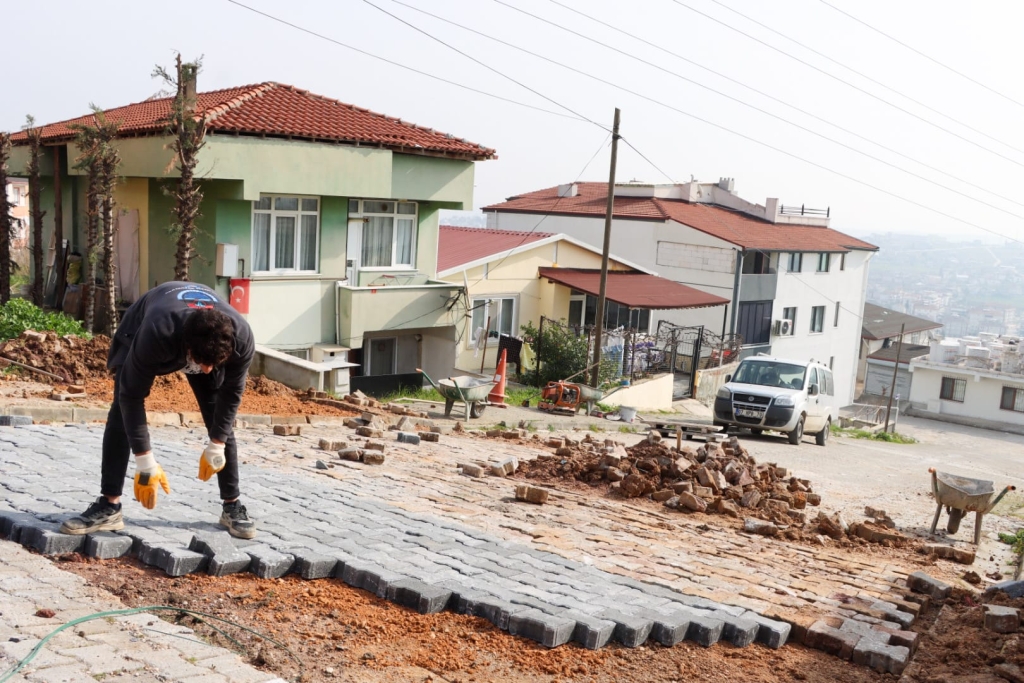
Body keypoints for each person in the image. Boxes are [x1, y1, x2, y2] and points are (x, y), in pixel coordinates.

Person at [60, 282, 257, 539]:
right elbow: (131, 397)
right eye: (201, 363)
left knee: (219, 416)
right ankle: (109, 506)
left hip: (203, 340)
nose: (207, 371)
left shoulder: (240, 338)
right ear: (186, 348)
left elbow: (231, 396)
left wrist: (217, 444)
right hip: (147, 322)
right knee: (120, 411)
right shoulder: (157, 333)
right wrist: (145, 462)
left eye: (214, 364)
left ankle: (232, 505)